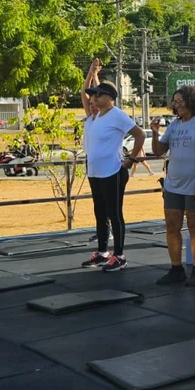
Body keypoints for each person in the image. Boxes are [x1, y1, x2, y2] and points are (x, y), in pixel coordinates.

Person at [80, 59, 146, 272]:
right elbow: (84, 93)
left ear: (109, 98)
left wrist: (132, 159)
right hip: (95, 172)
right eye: (94, 95)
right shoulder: (94, 117)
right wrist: (91, 72)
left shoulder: (117, 115)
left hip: (113, 171)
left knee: (114, 214)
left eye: (98, 95)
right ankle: (102, 252)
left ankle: (119, 255)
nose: (94, 98)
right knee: (100, 212)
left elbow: (140, 135)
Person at [150, 86, 195, 287]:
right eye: (175, 102)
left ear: (191, 101)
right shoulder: (175, 124)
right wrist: (154, 133)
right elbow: (159, 150)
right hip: (174, 184)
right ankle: (176, 269)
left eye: (180, 101)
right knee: (171, 226)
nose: (177, 105)